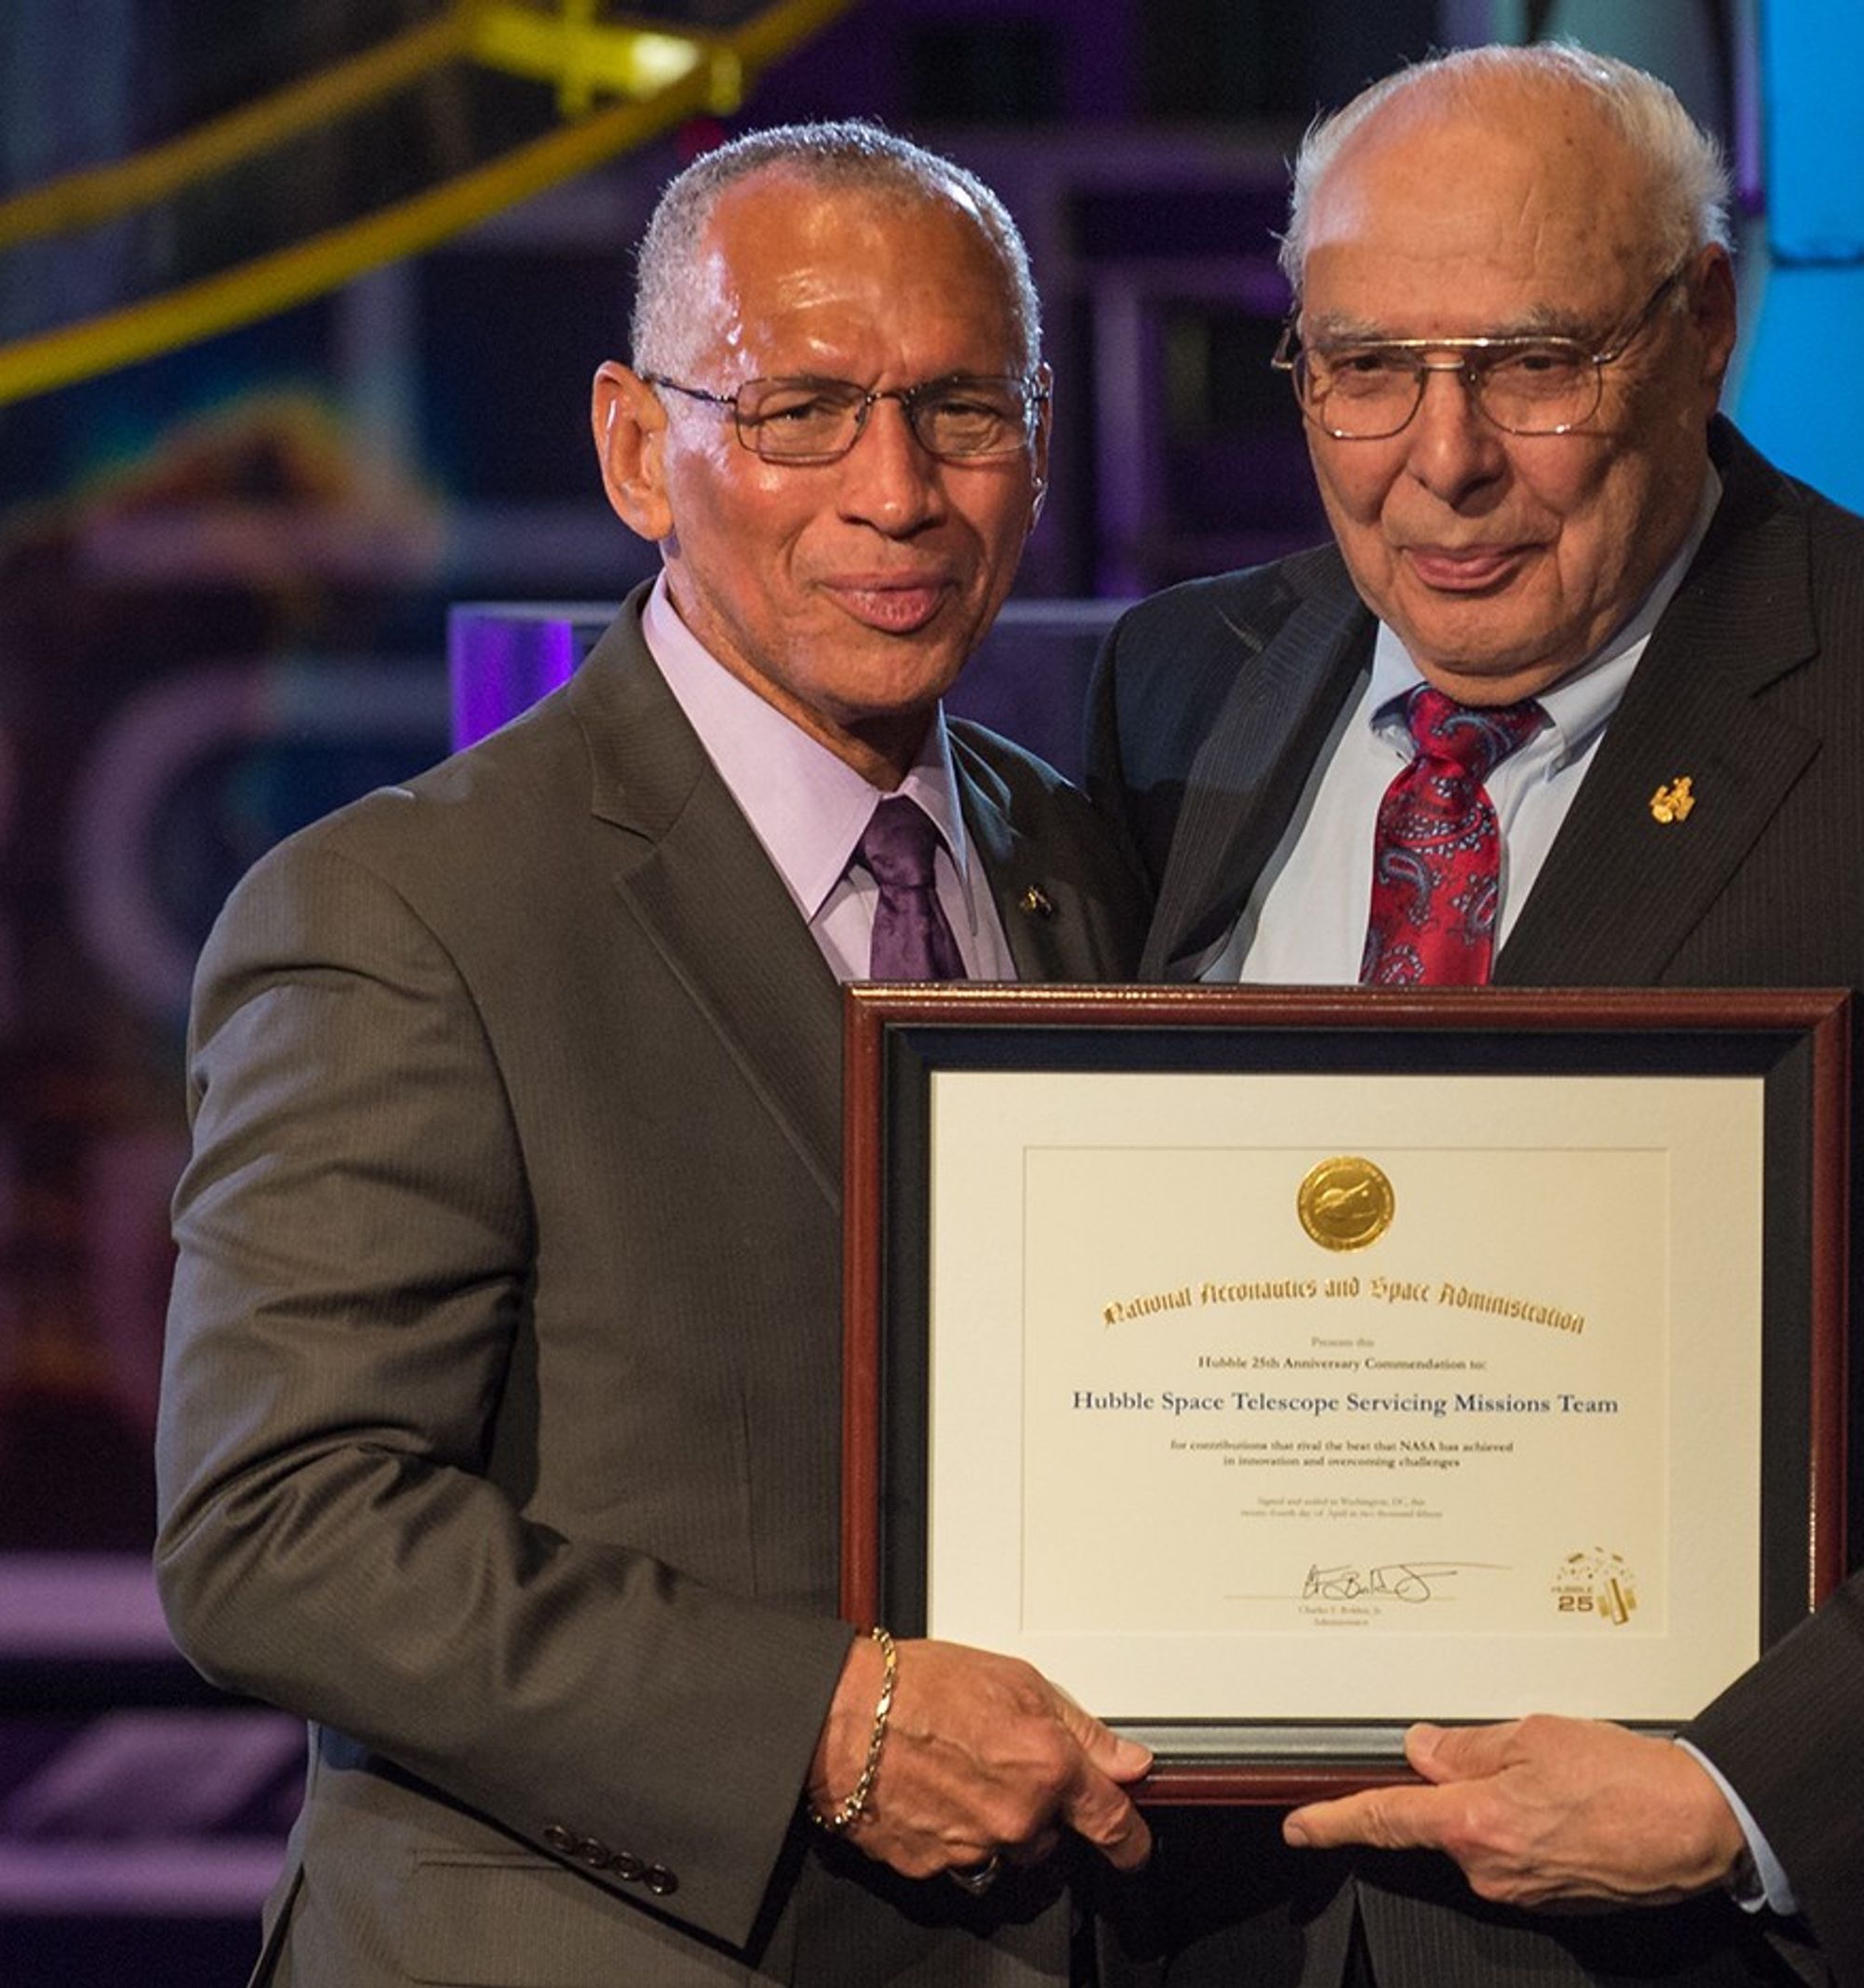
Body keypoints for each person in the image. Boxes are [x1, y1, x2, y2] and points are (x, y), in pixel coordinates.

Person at [1086, 43, 1864, 1988]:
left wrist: (1740, 1795)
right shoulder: (1173, 686)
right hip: (1250, 1928)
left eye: (1533, 361)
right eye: (1365, 365)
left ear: (1700, 332)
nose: (1442, 454)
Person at [156, 123, 1152, 1984]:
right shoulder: (401, 909)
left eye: (962, 410)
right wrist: (822, 1724)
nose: (897, 491)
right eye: (799, 411)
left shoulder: (1084, 867)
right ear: (637, 448)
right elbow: (275, 1529)